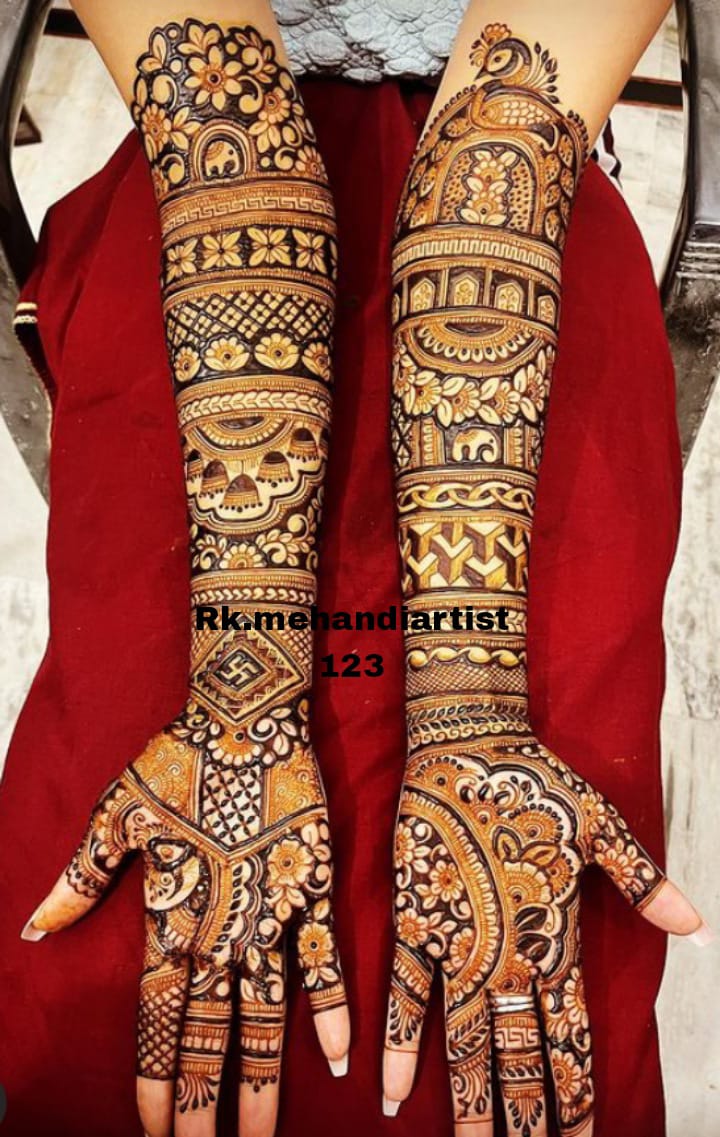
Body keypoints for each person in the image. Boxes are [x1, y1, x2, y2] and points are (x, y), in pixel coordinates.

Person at [0, 3, 709, 1136]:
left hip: (522, 183)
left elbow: (508, 144)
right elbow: (214, 104)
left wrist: (471, 704)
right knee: (123, 975)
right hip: (203, 181)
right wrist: (245, 687)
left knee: (525, 935)